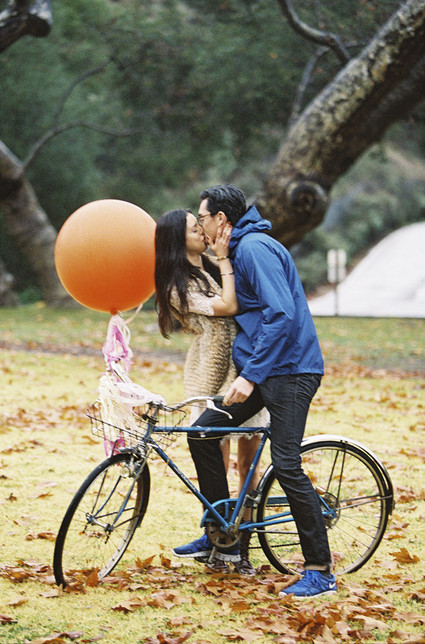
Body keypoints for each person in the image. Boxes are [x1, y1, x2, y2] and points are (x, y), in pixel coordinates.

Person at [174, 185, 337, 598]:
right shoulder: (238, 250)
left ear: (221, 220)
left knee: (286, 464)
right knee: (202, 433)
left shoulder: (255, 249)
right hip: (266, 372)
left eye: (202, 217)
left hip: (292, 371)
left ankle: (320, 570)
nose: (201, 224)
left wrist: (249, 376)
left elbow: (281, 315)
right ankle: (220, 535)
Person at [154, 208, 268, 574]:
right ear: (178, 239)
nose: (202, 231)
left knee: (248, 463)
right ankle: (219, 537)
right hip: (210, 374)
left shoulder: (214, 263)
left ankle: (241, 543)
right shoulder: (176, 285)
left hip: (245, 368)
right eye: (194, 228)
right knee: (213, 458)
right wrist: (223, 258)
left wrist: (221, 258)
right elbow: (229, 306)